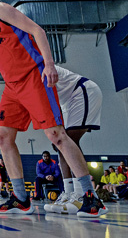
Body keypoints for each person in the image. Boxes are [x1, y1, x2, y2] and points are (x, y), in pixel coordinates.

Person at [0, 0, 107, 217]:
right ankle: (20, 198)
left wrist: (49, 64)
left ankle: (90, 197)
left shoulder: (0, 9)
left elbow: (37, 30)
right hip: (12, 85)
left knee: (56, 135)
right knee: (3, 137)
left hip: (33, 76)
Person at [45, 65, 103, 214]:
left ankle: (82, 194)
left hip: (82, 91)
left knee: (70, 141)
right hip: (67, 103)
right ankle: (69, 193)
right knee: (60, 145)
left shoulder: (37, 64)